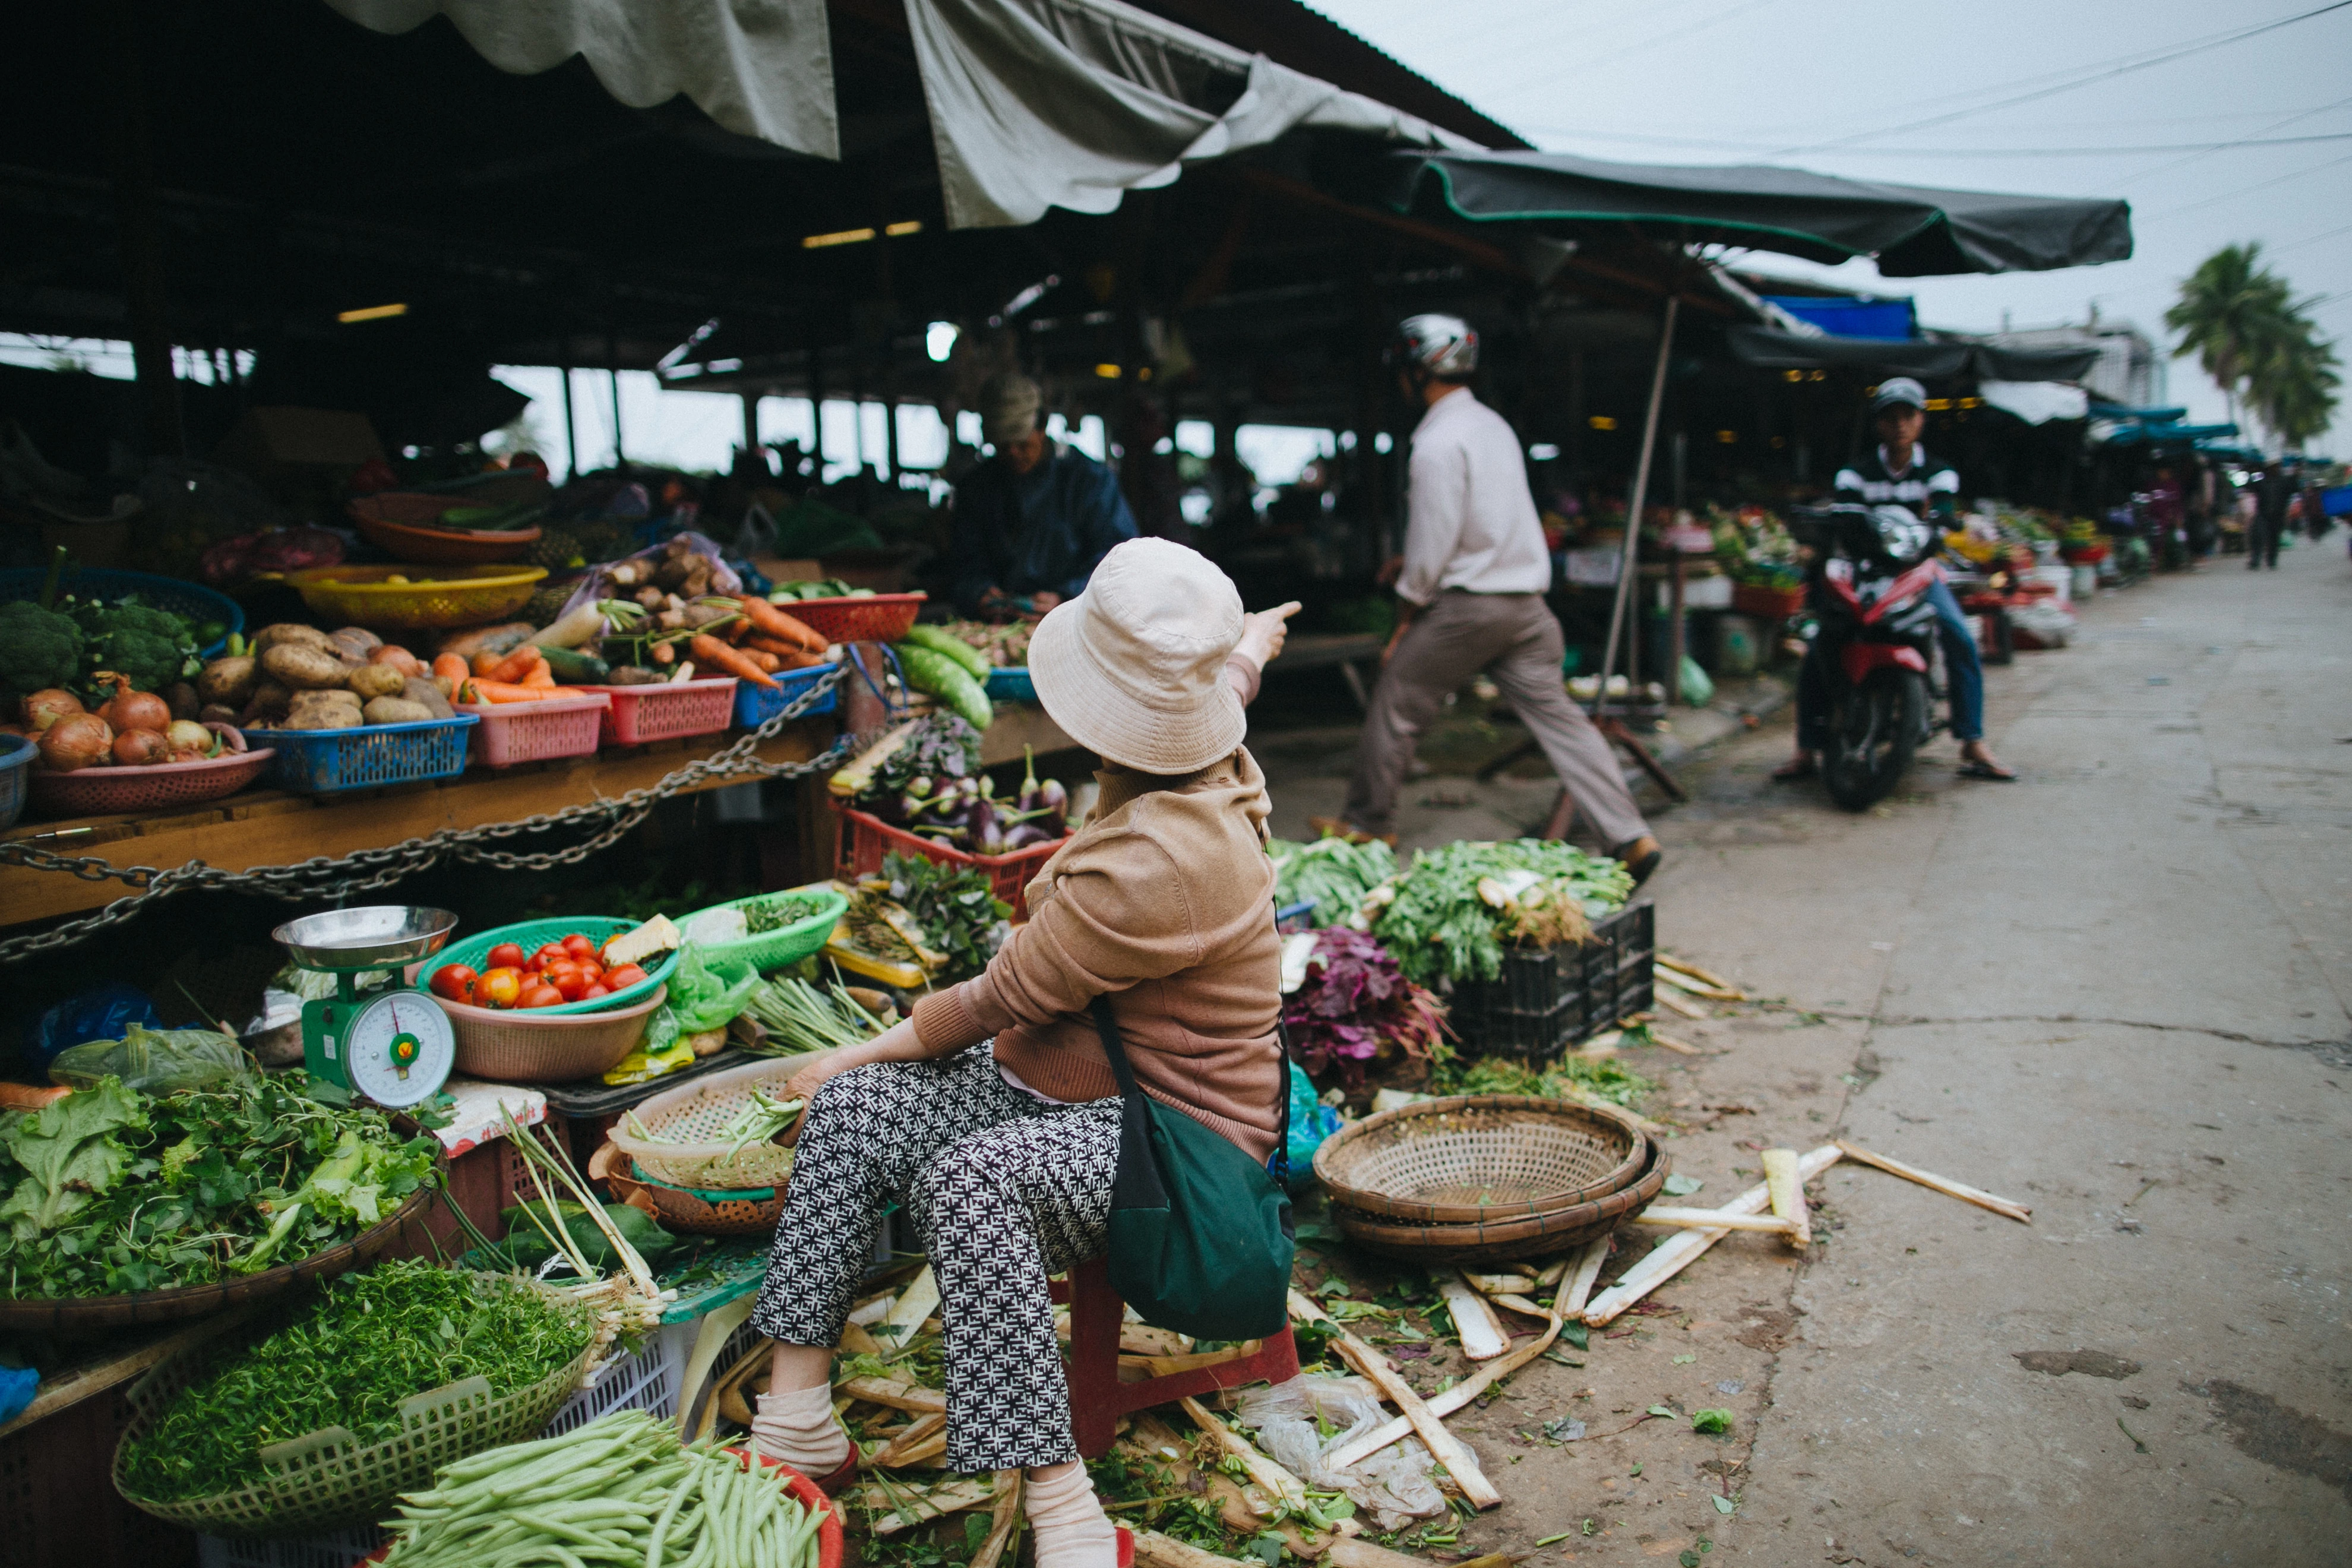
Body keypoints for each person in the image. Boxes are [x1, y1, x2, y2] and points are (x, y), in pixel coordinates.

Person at [747, 539, 1290, 1568]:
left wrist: (853, 1050)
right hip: (1059, 1089)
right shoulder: (1194, 735)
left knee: (969, 1180)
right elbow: (1230, 675)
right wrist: (1253, 639)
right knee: (857, 1115)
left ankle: (1065, 1510)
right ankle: (798, 1414)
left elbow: (1003, 997)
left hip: (1173, 1142)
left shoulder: (1165, 862)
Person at [1316, 314, 1661, 883]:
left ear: (1415, 370)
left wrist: (1406, 614)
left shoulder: (1434, 442)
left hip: (1470, 609)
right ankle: (1631, 836)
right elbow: (1485, 522)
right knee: (1565, 723)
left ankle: (1368, 821)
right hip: (1527, 608)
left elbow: (1431, 549)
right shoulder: (1492, 427)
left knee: (1397, 698)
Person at [1776, 377, 2015, 784]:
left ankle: (1973, 740)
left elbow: (1942, 511)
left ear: (1921, 421)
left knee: (1958, 634)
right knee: (1822, 643)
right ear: (1879, 425)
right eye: (1891, 417)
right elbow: (1845, 515)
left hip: (1917, 574)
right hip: (1864, 572)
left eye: (1908, 416)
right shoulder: (1856, 473)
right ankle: (1806, 748)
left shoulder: (1938, 472)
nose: (1900, 425)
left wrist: (1940, 521)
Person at [948, 374, 1139, 617]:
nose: (1014, 453)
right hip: (998, 623)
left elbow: (1120, 560)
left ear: (1043, 426)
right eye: (1003, 447)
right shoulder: (975, 488)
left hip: (1077, 620)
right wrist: (978, 592)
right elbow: (964, 562)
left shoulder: (1089, 480)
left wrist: (1068, 597)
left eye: (1022, 443)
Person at [2250, 463, 2288, 570]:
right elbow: (2251, 487)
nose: (2274, 469)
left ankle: (2272, 560)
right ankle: (2256, 559)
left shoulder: (2283, 482)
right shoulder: (2262, 482)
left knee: (2274, 538)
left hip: (2277, 514)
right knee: (2258, 536)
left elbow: (2288, 495)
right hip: (2263, 513)